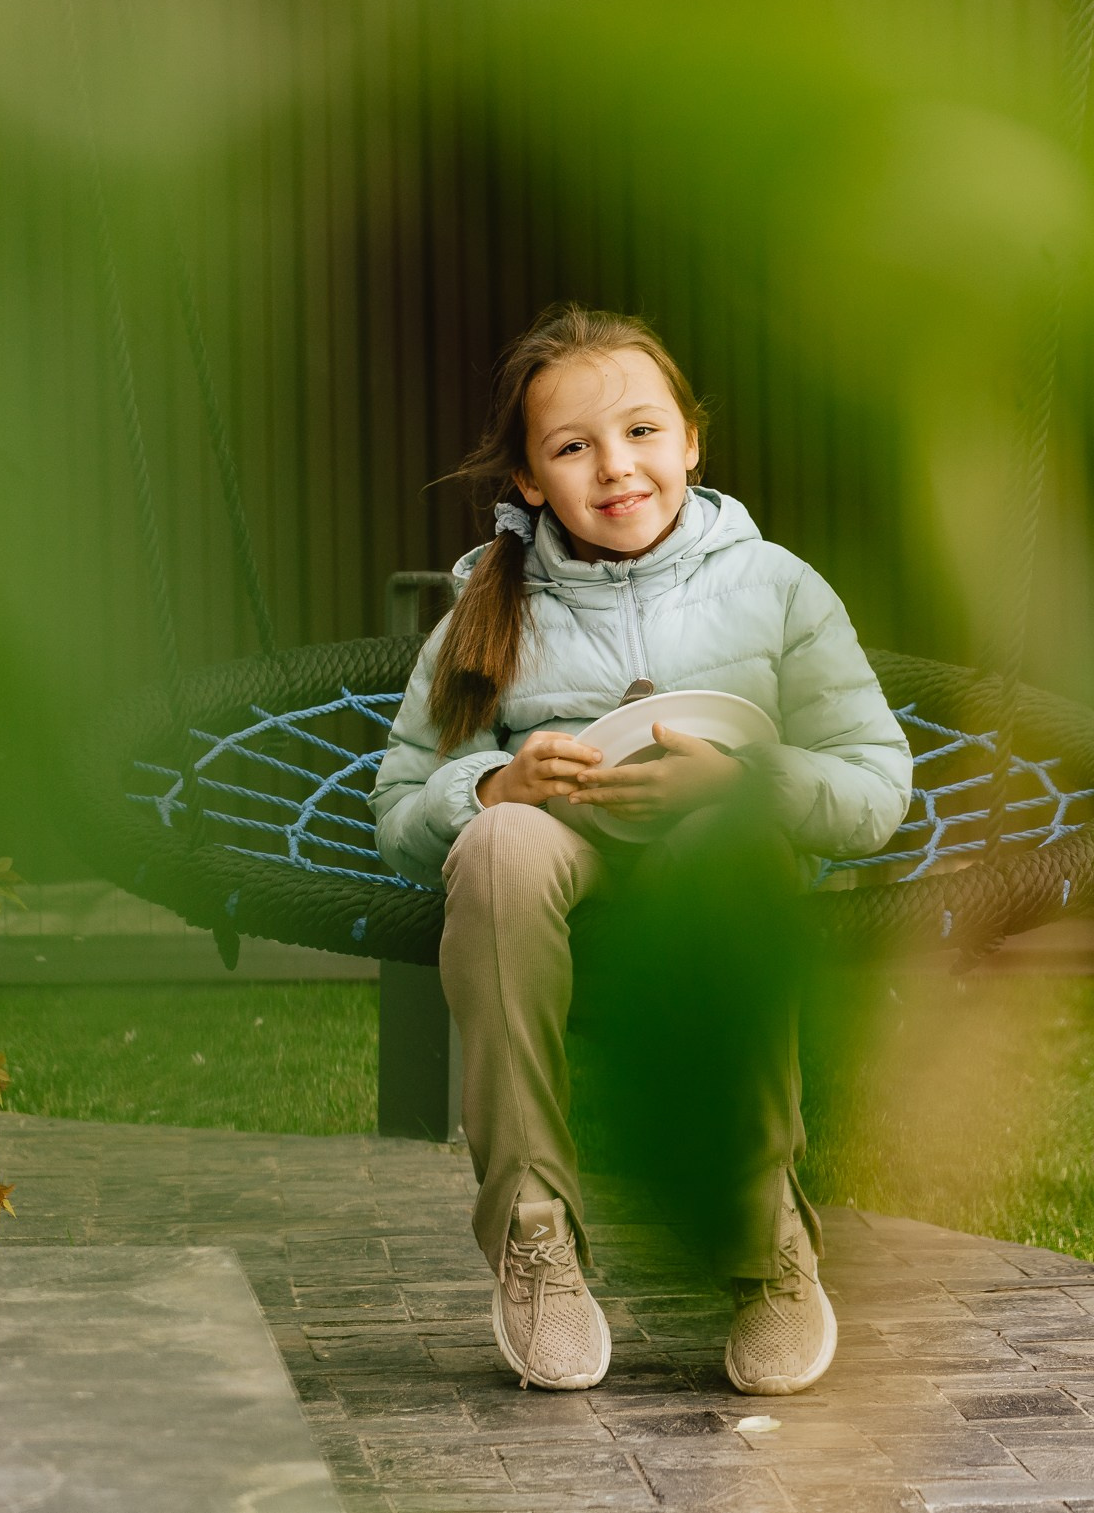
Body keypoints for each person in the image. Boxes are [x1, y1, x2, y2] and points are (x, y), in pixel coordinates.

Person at [370, 303, 911, 1395]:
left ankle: (768, 1241)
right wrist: (490, 782)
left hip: (713, 856)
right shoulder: (489, 603)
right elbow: (396, 807)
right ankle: (535, 1235)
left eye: (642, 432)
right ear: (528, 478)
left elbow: (873, 782)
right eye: (572, 447)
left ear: (693, 441)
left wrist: (748, 776)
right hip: (561, 851)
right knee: (499, 845)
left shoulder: (776, 588)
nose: (616, 467)